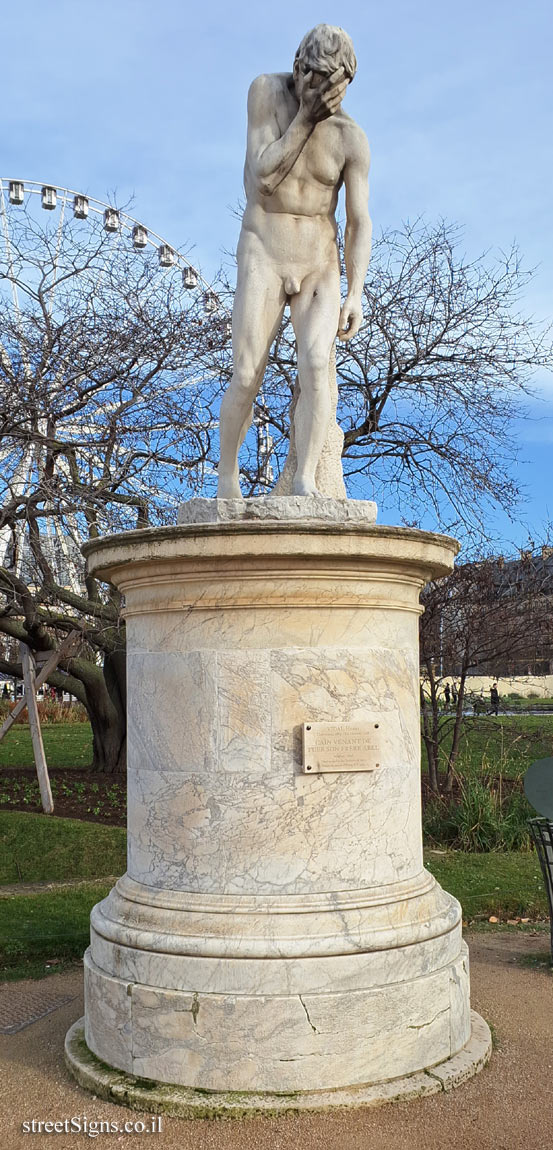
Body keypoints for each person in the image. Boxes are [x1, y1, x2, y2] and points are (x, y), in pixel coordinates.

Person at [217, 24, 372, 498]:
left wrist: (356, 292)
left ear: (345, 82)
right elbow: (262, 177)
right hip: (264, 247)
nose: (317, 87)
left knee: (315, 365)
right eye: (310, 74)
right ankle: (227, 477)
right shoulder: (266, 92)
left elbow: (358, 221)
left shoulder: (352, 140)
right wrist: (305, 117)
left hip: (319, 260)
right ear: (298, 64)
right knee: (246, 372)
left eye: (329, 81)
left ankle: (305, 479)